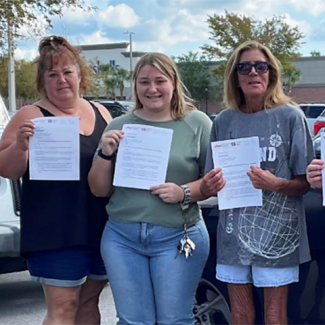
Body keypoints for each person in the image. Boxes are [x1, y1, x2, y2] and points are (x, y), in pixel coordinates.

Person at [88, 52, 211, 325]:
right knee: (132, 321)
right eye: (144, 81)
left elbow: (213, 181)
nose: (152, 89)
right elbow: (98, 189)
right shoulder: (119, 126)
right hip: (122, 237)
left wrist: (184, 192)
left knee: (175, 320)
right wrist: (106, 153)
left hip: (177, 236)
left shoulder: (197, 123)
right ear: (135, 85)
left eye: (159, 81)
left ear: (173, 83)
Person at [200, 40, 314, 325]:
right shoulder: (224, 121)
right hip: (233, 232)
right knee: (240, 315)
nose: (254, 72)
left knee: (275, 316)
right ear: (235, 77)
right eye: (244, 67)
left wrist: (276, 184)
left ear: (270, 73)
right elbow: (209, 181)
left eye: (261, 66)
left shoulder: (290, 116)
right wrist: (211, 185)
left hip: (278, 234)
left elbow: (305, 182)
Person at [0, 35, 112, 325]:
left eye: (67, 72)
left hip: (100, 225)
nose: (61, 80)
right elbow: (7, 169)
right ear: (43, 81)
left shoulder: (101, 112)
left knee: (89, 302)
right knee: (63, 306)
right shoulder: (30, 114)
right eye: (53, 74)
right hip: (54, 230)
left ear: (79, 75)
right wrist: (21, 146)